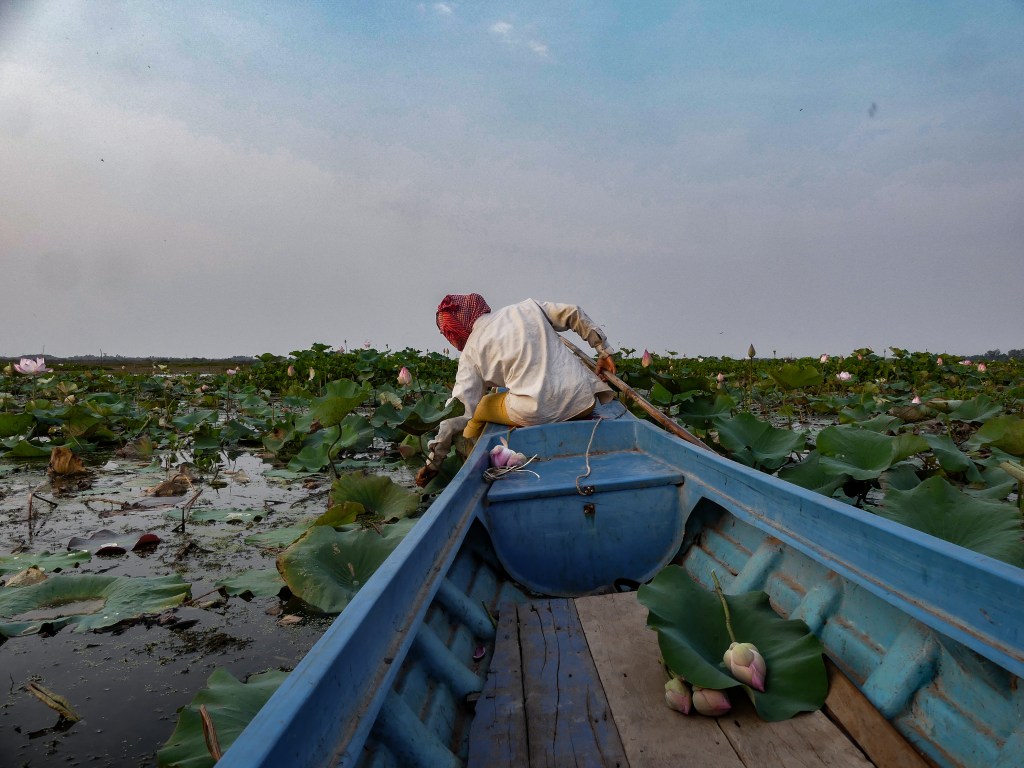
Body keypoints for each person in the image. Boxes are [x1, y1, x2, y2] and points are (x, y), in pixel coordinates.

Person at [415, 294, 617, 487]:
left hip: (537, 411)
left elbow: (458, 411)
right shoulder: (527, 307)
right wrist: (603, 349)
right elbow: (573, 312)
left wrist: (434, 461)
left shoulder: (470, 353)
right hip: (582, 400)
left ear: (456, 330)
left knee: (482, 405)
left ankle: (470, 461)